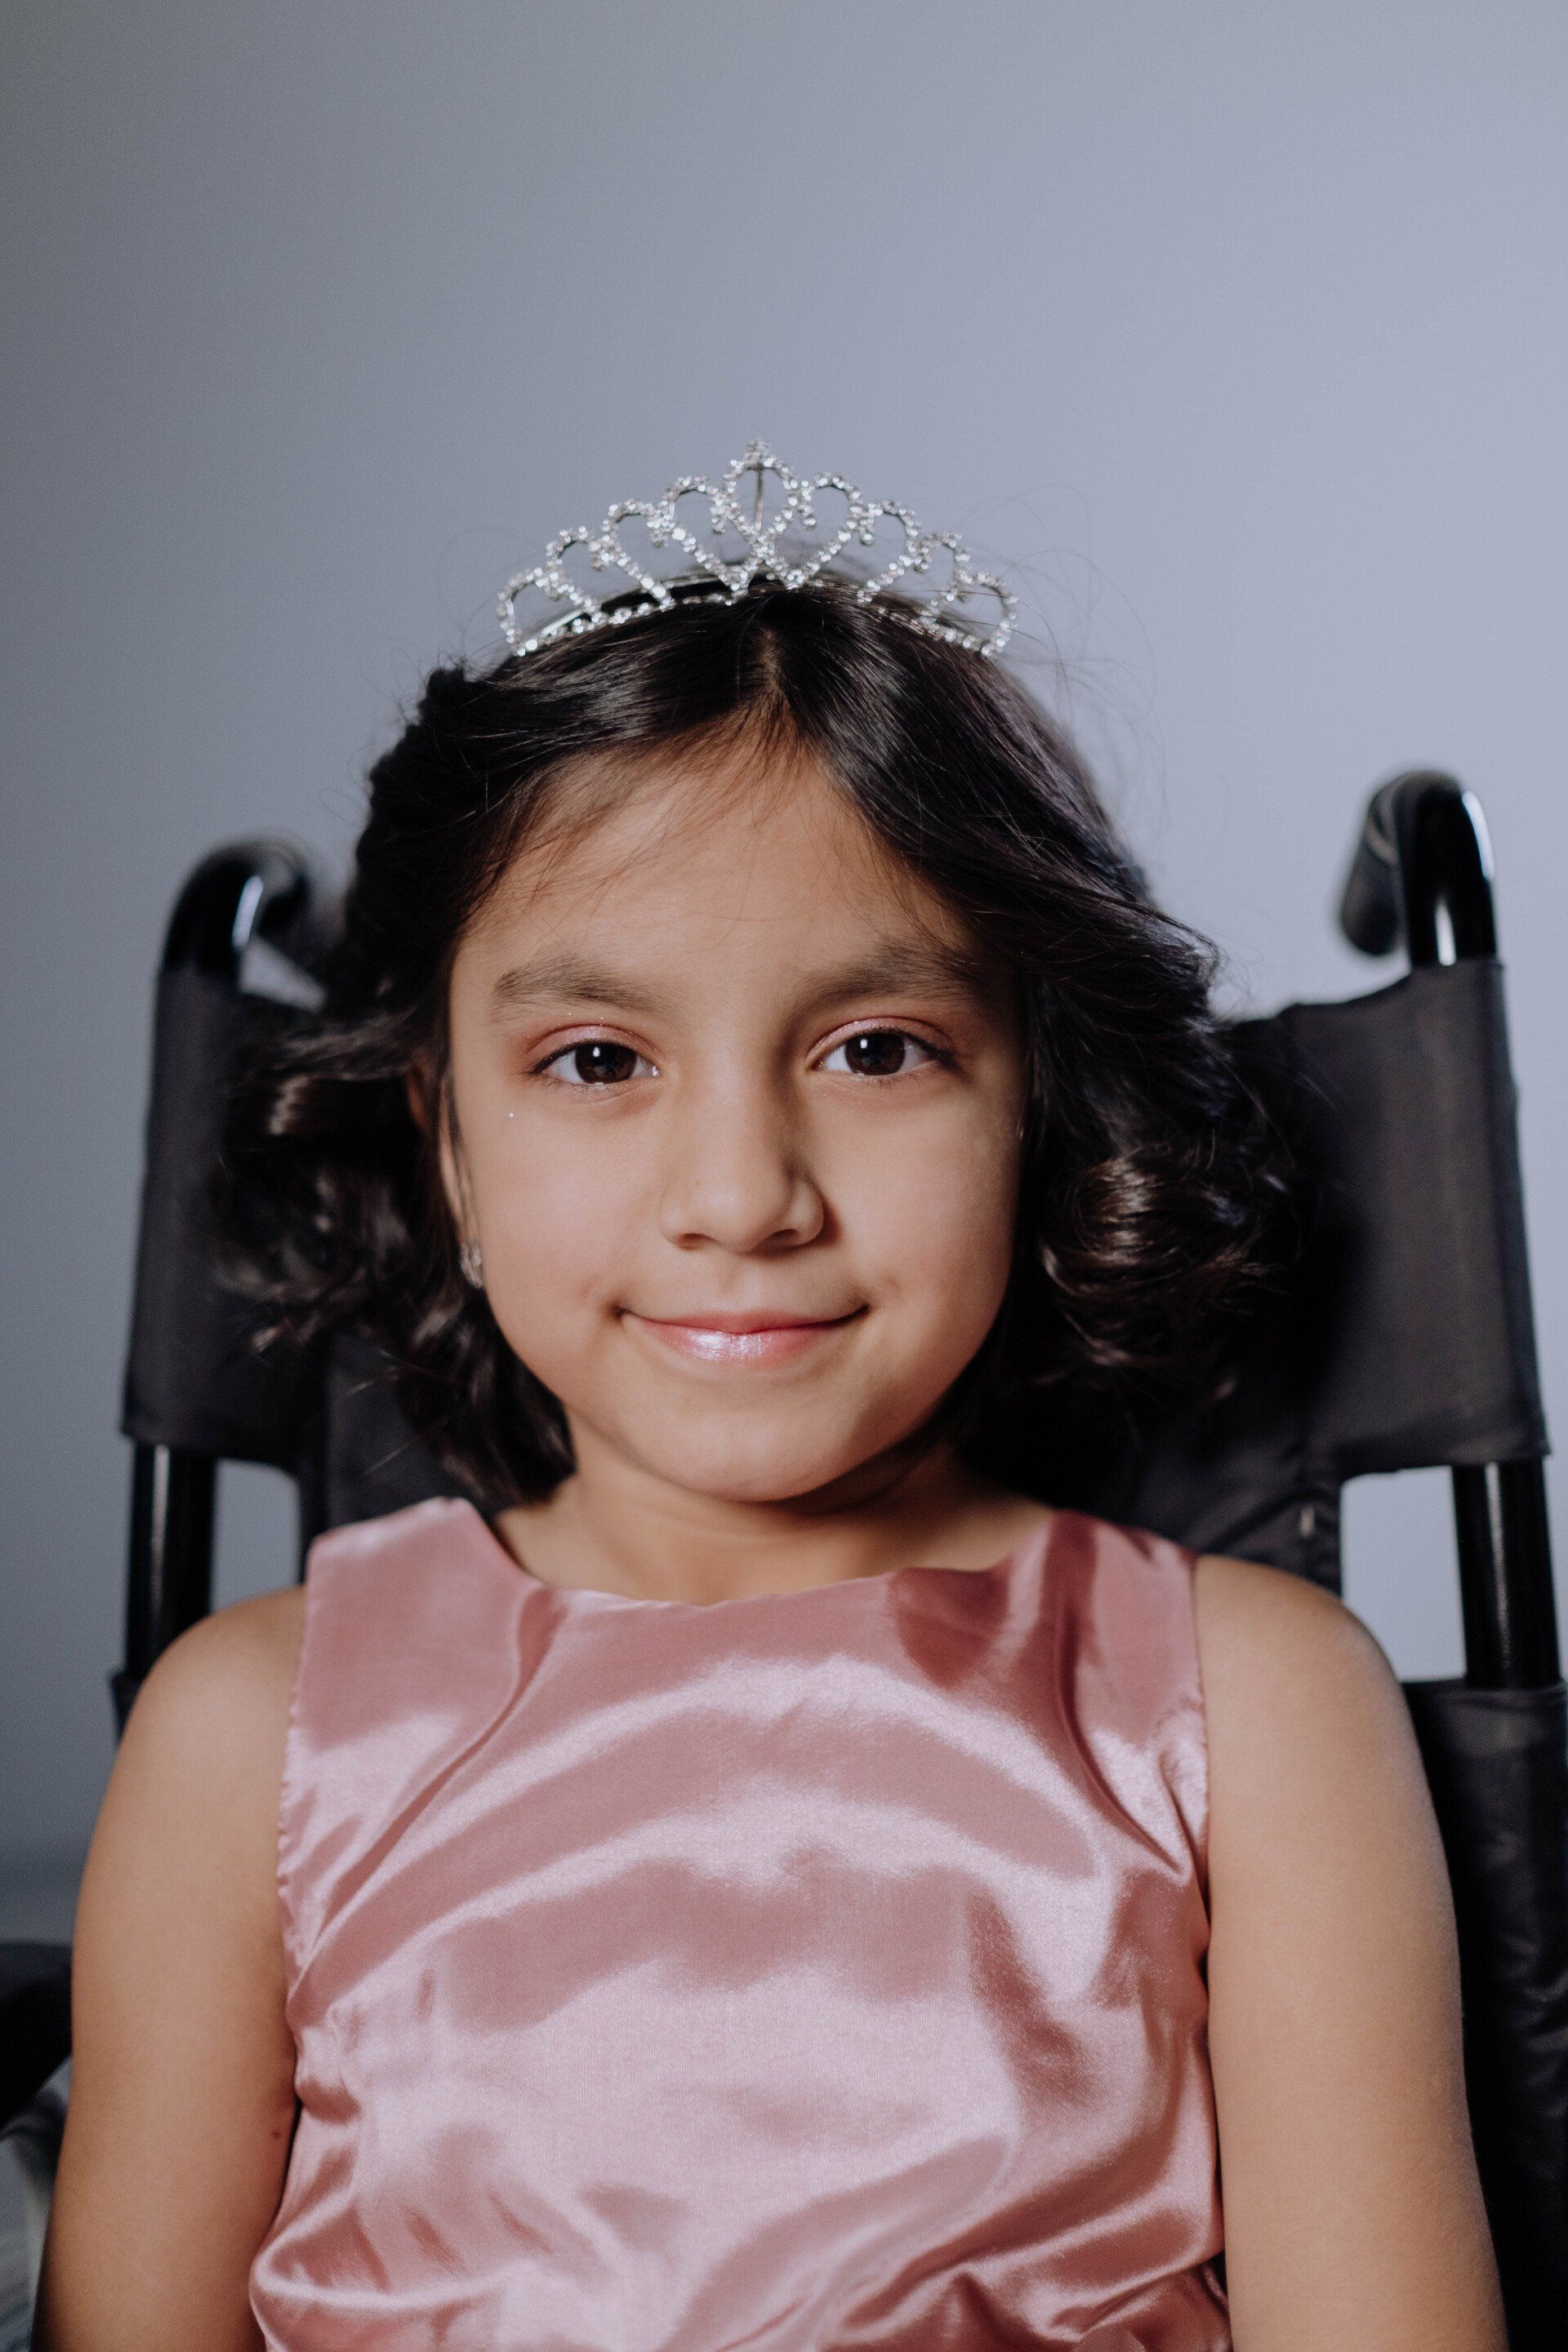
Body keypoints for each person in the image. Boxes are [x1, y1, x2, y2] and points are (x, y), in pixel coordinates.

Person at [36, 452, 1504, 2350]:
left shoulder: (1255, 1711)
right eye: (595, 1059)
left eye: (877, 1048)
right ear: (449, 1143)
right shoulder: (250, 1738)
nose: (742, 1193)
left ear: (1036, 1112)